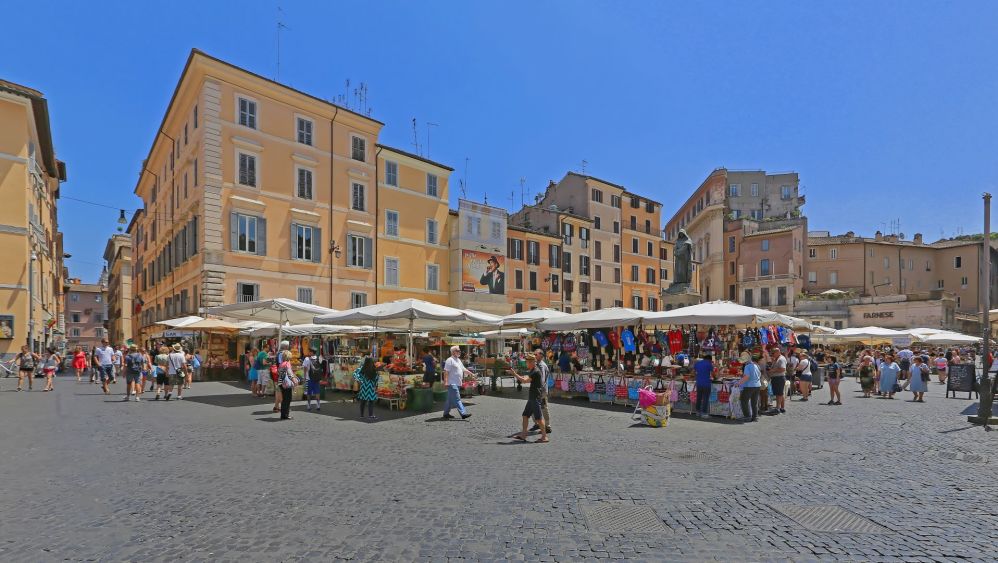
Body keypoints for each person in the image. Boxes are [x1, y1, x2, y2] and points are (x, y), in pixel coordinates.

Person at [512, 355, 549, 443]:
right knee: (525, 415)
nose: (526, 363)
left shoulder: (535, 371)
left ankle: (544, 437)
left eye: (527, 362)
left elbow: (525, 381)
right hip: (532, 397)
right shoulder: (533, 370)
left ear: (532, 362)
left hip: (535, 397)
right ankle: (523, 435)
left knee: (539, 418)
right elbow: (527, 378)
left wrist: (515, 374)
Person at [442, 345, 473, 420]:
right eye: (458, 350)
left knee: (449, 400)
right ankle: (463, 413)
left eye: (459, 350)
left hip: (457, 383)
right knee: (457, 398)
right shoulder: (450, 360)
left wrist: (472, 374)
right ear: (453, 352)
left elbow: (464, 369)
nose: (460, 352)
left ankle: (446, 413)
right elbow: (446, 371)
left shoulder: (458, 360)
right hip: (452, 383)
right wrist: (445, 382)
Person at [530, 348, 552, 433]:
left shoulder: (541, 365)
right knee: (533, 407)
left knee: (543, 407)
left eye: (536, 355)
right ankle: (537, 423)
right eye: (534, 354)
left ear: (541, 356)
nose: (534, 356)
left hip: (541, 391)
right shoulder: (537, 364)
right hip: (538, 390)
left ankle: (547, 426)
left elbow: (541, 380)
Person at [736, 354, 762, 422]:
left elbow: (747, 377)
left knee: (744, 400)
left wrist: (738, 383)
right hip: (757, 385)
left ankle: (747, 416)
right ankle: (755, 416)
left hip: (749, 386)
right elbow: (759, 375)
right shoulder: (756, 366)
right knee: (754, 402)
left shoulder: (747, 366)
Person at [277, 349, 298, 420]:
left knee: (284, 399)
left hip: (281, 383)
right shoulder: (287, 363)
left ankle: (283, 414)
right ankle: (286, 414)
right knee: (288, 399)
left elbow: (279, 373)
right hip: (286, 383)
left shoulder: (281, 363)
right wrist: (294, 380)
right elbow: (289, 373)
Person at [693, 353, 714, 418]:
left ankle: (697, 412)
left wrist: (697, 377)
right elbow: (714, 374)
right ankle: (704, 413)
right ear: (709, 359)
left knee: (699, 398)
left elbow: (693, 372)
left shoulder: (698, 363)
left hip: (699, 383)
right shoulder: (709, 364)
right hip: (706, 384)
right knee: (705, 398)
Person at [769, 347, 787, 413]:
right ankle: (782, 408)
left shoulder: (781, 359)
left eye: (773, 353)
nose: (772, 354)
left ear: (777, 352)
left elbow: (783, 369)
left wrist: (773, 370)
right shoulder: (777, 358)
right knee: (780, 393)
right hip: (777, 378)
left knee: (778, 394)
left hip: (779, 378)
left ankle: (777, 408)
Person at [273, 342, 290, 413]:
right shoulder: (282, 354)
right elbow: (282, 365)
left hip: (277, 374)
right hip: (281, 375)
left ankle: (276, 407)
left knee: (278, 391)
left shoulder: (278, 353)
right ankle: (283, 408)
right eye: (288, 346)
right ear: (286, 347)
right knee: (281, 392)